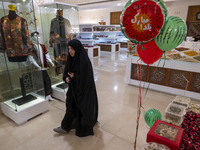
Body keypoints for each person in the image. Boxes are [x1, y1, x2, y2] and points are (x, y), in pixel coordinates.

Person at [53, 39, 98, 137]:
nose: (70, 51)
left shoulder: (84, 61)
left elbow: (87, 78)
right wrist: (66, 78)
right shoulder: (71, 59)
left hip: (83, 92)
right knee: (70, 107)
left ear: (77, 49)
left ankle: (67, 126)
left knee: (81, 110)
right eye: (69, 49)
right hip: (73, 90)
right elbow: (66, 73)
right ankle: (65, 127)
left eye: (72, 49)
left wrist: (75, 77)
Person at [29, 31, 55, 101]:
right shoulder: (31, 46)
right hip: (37, 68)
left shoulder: (42, 46)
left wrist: (51, 62)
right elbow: (30, 58)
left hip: (43, 67)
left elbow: (47, 55)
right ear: (32, 37)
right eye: (35, 36)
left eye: (38, 36)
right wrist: (37, 65)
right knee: (39, 82)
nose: (37, 37)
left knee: (47, 80)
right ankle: (42, 96)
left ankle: (48, 95)